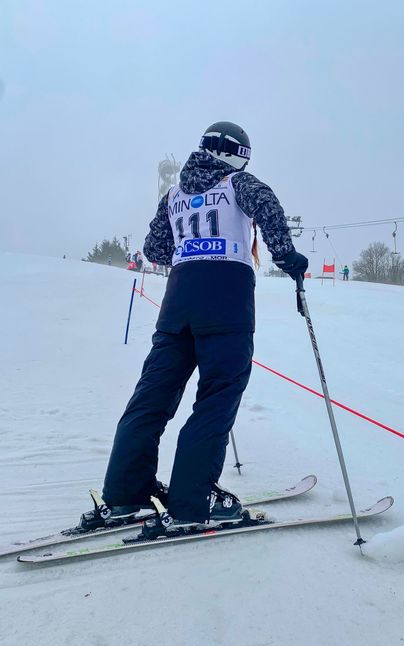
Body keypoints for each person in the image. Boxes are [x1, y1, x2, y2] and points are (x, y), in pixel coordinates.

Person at [78, 121, 308, 539]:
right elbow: (268, 206)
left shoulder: (174, 194)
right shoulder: (237, 182)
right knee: (218, 396)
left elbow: (155, 249)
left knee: (153, 396)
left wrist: (192, 245)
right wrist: (287, 256)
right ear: (237, 155)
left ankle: (125, 493)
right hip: (225, 299)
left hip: (179, 301)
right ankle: (192, 500)